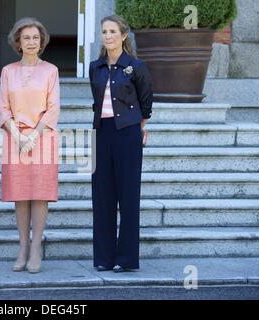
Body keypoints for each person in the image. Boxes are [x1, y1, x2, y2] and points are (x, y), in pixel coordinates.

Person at [89, 15, 153, 273]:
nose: (108, 35)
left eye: (113, 31)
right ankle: (104, 258)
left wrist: (141, 127)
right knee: (102, 196)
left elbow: (146, 103)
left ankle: (125, 259)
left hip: (127, 134)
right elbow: (96, 102)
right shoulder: (96, 66)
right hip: (101, 133)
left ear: (124, 35)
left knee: (128, 196)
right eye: (104, 31)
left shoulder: (136, 66)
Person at [0, 17, 60, 273]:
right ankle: (22, 247)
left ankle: (36, 248)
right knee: (20, 196)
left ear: (41, 41)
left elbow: (53, 108)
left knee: (40, 195)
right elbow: (3, 109)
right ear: (18, 42)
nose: (31, 42)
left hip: (43, 138)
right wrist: (19, 136)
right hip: (14, 139)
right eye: (26, 38)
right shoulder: (8, 71)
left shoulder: (51, 71)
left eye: (36, 37)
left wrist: (33, 136)